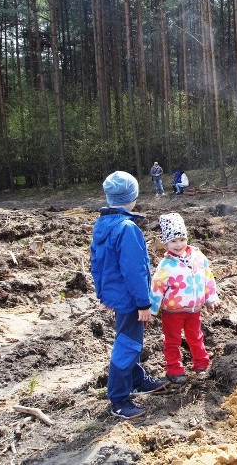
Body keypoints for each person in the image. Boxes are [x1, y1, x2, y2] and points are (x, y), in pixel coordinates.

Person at [90, 171, 169, 420]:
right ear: (131, 197)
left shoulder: (103, 224)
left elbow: (98, 263)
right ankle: (118, 398)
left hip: (117, 295)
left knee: (127, 338)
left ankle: (136, 379)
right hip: (130, 299)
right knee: (128, 344)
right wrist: (143, 303)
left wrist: (105, 294)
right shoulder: (127, 229)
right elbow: (134, 271)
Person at [150, 213, 219, 384]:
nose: (178, 244)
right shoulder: (165, 265)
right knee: (172, 340)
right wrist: (151, 309)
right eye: (173, 241)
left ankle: (202, 363)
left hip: (194, 309)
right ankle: (174, 369)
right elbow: (157, 287)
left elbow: (208, 277)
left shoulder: (198, 257)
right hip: (172, 312)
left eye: (181, 239)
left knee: (195, 336)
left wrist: (210, 297)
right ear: (165, 243)